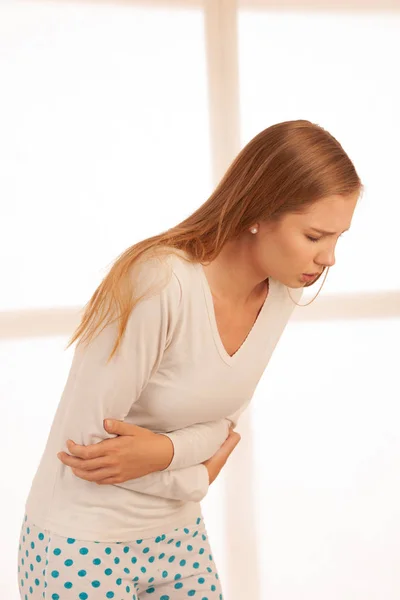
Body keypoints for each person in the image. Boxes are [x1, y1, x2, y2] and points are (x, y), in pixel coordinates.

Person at [18, 120, 362, 600]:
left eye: (338, 239)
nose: (328, 259)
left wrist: (164, 454)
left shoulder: (281, 291)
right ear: (259, 212)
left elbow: (222, 430)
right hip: (82, 539)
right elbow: (89, 454)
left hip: (178, 537)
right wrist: (196, 474)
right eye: (314, 236)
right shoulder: (160, 283)